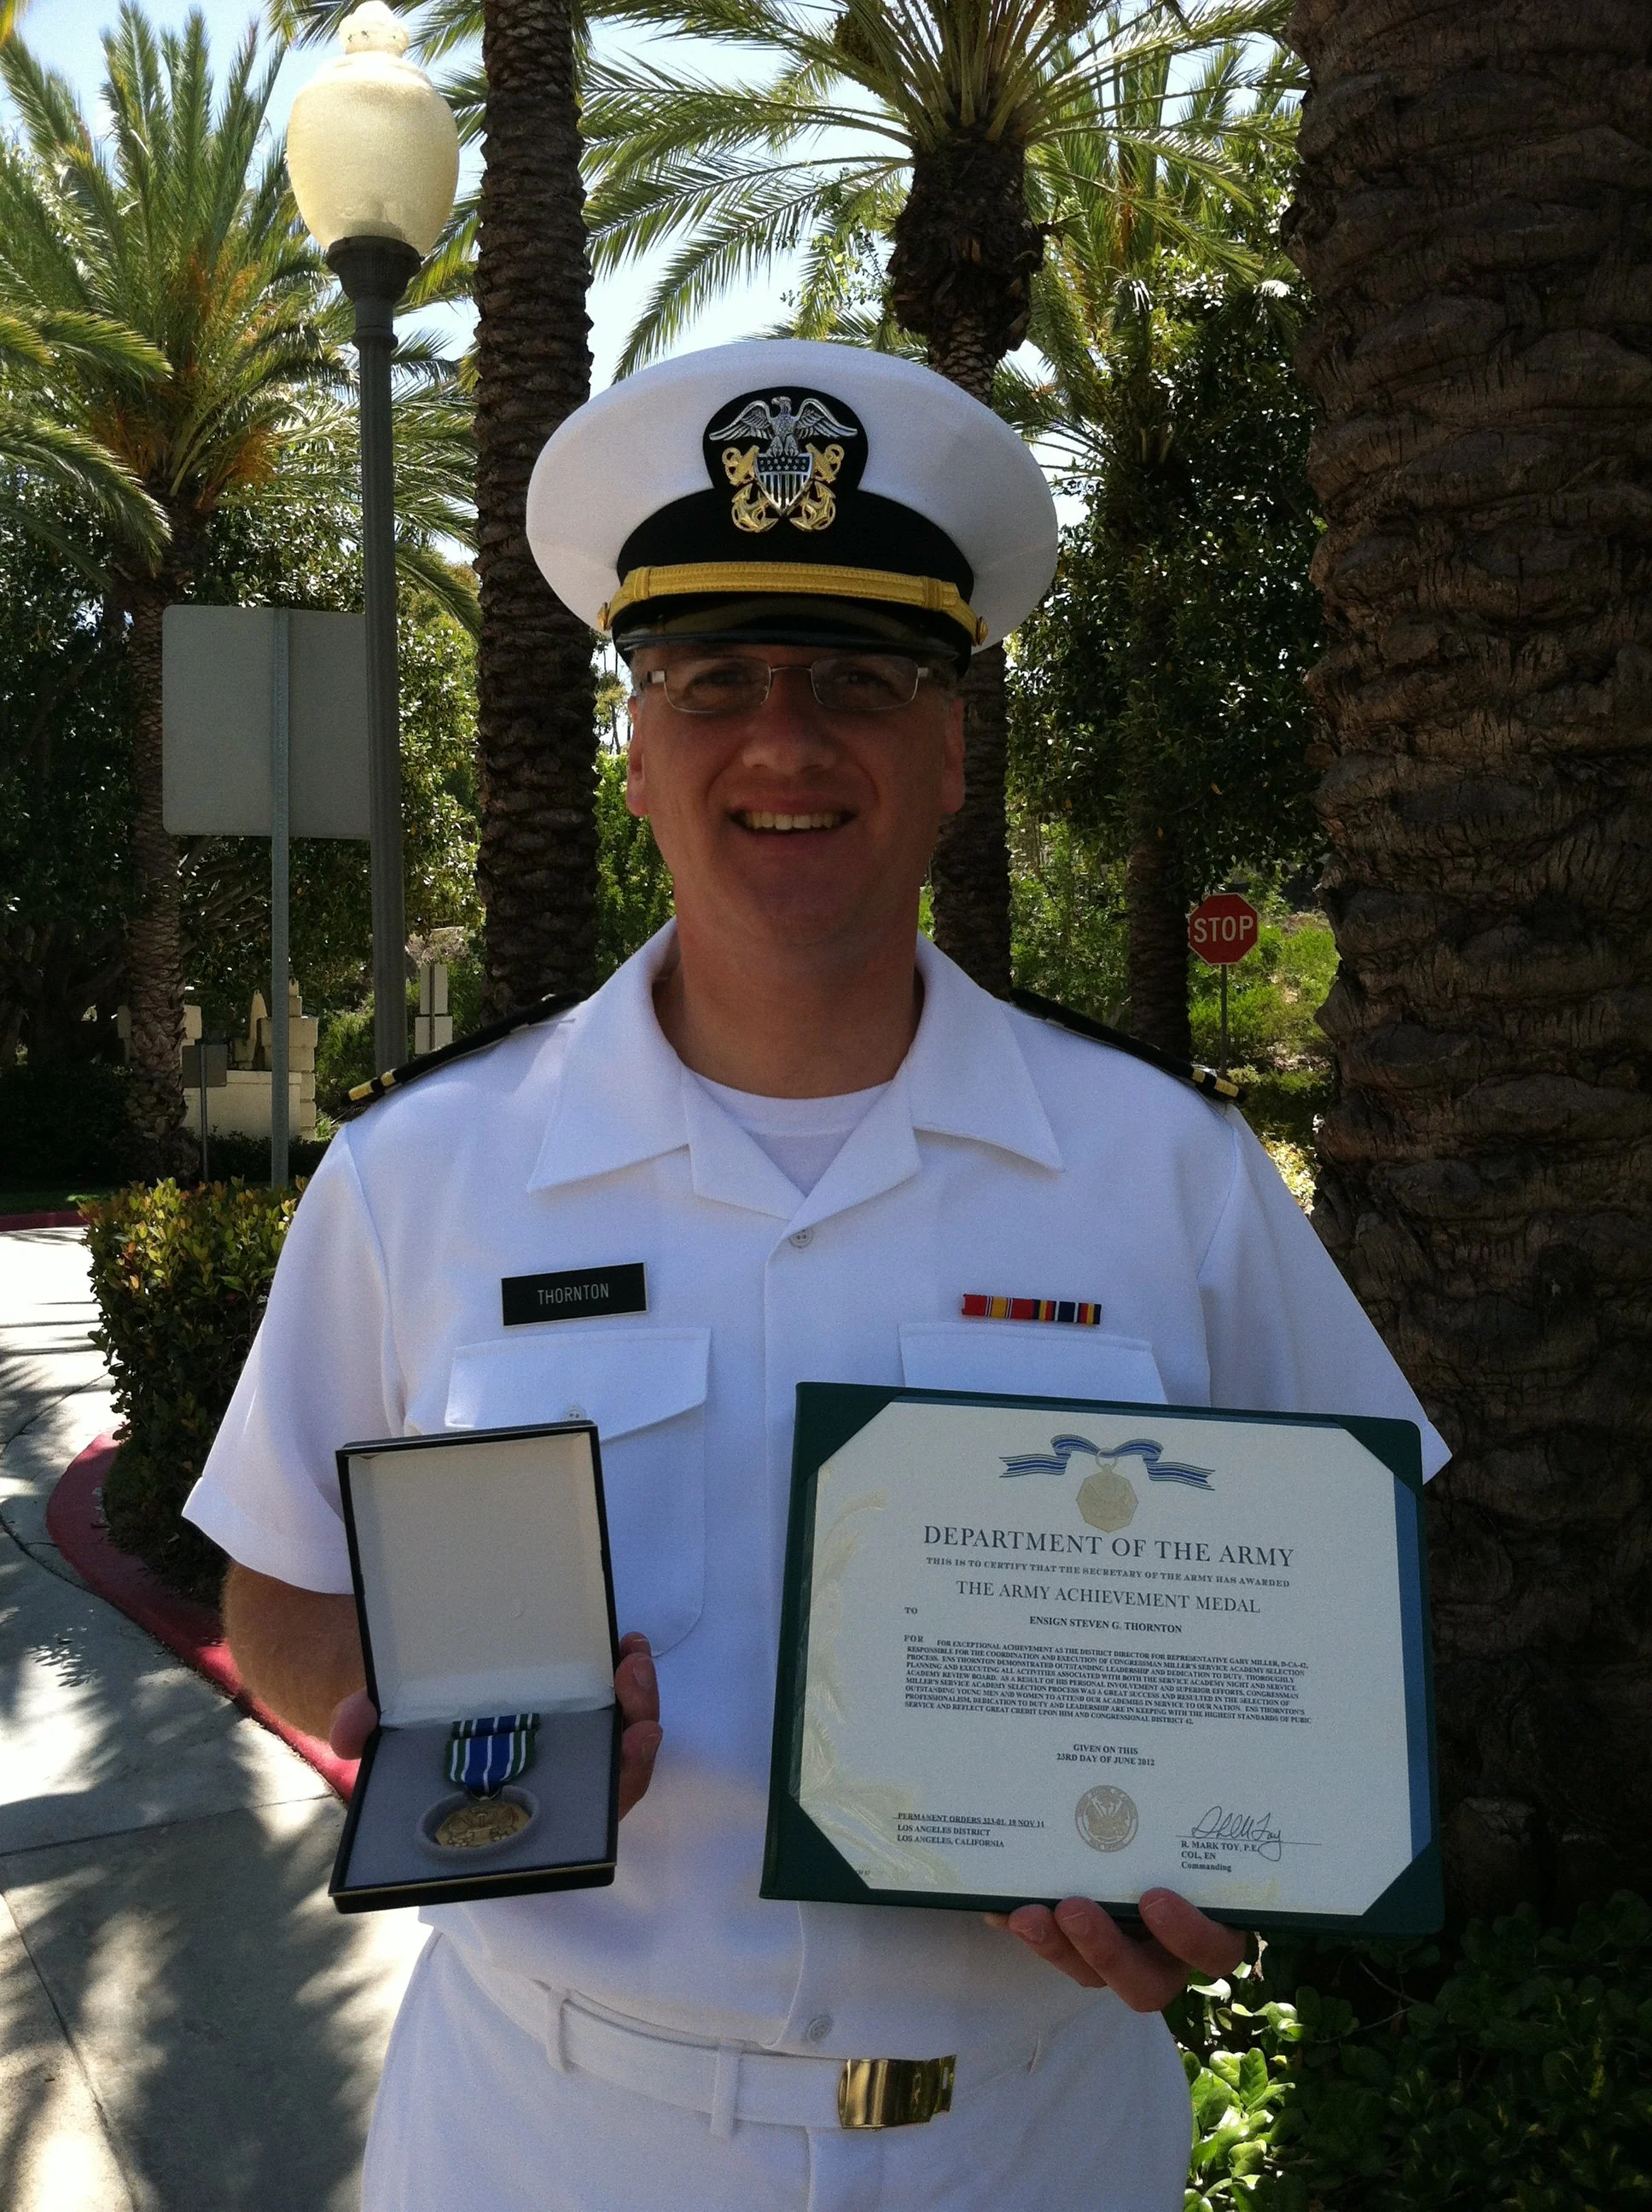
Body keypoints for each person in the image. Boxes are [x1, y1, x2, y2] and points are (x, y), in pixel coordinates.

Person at [185, 339, 1449, 2212]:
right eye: (709, 680)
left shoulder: (1163, 1179)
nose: (783, 740)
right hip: (547, 2137)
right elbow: (278, 1585)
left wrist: (1231, 1844)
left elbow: (1353, 1604)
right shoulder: (421, 1176)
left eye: (860, 679)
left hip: (1032, 2135)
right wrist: (396, 1705)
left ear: (949, 749)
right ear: (634, 748)